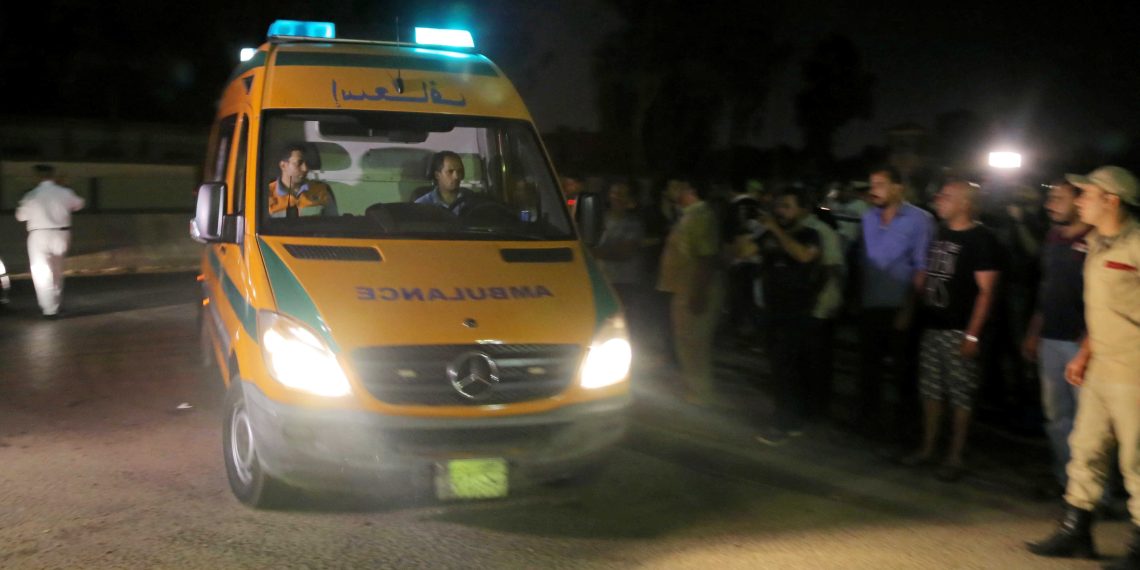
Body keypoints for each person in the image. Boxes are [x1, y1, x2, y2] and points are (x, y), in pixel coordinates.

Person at [1028, 166, 1140, 568]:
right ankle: (1077, 531)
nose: (1079, 200)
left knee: (1135, 458)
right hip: (1101, 365)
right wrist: (1085, 354)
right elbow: (1103, 310)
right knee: (1085, 447)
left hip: (1134, 368)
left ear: (1111, 199)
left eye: (1087, 194)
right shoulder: (1097, 242)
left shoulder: (1137, 244)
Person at [899, 181, 1001, 482]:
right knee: (930, 390)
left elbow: (986, 292)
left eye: (946, 196)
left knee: (959, 396)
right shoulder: (939, 232)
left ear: (965, 204)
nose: (938, 199)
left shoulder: (982, 240)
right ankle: (928, 448)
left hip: (959, 330)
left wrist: (972, 335)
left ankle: (955, 456)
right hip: (932, 325)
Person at [1021, 181, 1092, 493]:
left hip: (1082, 344)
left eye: (1058, 198)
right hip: (1051, 338)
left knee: (1088, 422)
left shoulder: (1095, 239)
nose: (1050, 203)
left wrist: (1089, 343)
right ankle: (1066, 482)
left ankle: (1092, 489)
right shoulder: (1053, 237)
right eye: (1049, 197)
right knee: (1056, 418)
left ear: (1079, 201)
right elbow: (1046, 288)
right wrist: (1034, 332)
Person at [856, 165, 935, 442]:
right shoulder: (867, 218)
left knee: (904, 373)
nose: (873, 190)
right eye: (871, 184)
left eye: (879, 183)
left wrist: (909, 307)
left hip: (900, 306)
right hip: (870, 304)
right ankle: (869, 426)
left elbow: (922, 266)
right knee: (869, 370)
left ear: (898, 187)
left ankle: (904, 431)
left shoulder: (920, 220)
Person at [753, 187, 823, 445]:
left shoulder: (810, 234)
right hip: (771, 310)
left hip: (796, 313)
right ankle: (788, 418)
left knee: (788, 369)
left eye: (788, 206)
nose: (781, 211)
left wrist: (776, 230)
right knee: (777, 368)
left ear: (802, 210)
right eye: (779, 206)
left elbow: (804, 256)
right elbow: (746, 251)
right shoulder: (769, 233)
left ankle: (785, 422)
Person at [656, 176, 724, 406]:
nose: (669, 190)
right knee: (686, 342)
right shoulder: (688, 214)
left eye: (674, 186)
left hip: (694, 288)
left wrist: (699, 293)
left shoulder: (701, 216)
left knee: (695, 344)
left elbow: (706, 257)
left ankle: (700, 395)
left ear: (689, 188)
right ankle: (693, 389)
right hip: (685, 287)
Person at [15, 164, 85, 318]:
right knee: (57, 271)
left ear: (36, 177)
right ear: (53, 175)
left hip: (39, 234)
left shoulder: (31, 195)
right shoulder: (65, 192)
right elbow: (79, 204)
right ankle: (56, 304)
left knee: (41, 271)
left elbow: (20, 216)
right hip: (62, 233)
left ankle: (49, 309)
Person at [593, 181, 647, 340]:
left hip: (624, 281)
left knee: (624, 323)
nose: (616, 197)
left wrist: (592, 252)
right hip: (603, 280)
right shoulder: (600, 219)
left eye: (621, 194)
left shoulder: (633, 224)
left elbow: (624, 252)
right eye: (614, 192)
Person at [268, 143, 338, 218]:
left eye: (307, 163)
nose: (305, 168)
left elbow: (334, 224)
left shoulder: (322, 190)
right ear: (283, 166)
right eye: (299, 163)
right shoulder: (266, 194)